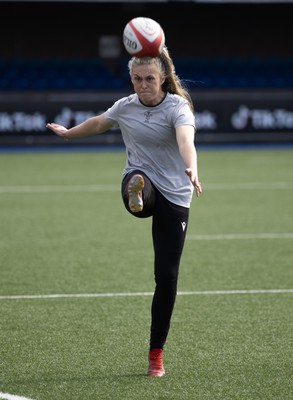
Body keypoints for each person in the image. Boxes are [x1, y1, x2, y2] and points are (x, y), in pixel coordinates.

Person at [46, 45, 202, 378]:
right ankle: (138, 197)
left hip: (175, 193)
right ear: (130, 79)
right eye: (137, 79)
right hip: (140, 180)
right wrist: (69, 134)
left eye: (149, 78)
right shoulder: (126, 106)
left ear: (162, 79)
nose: (143, 84)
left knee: (167, 276)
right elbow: (100, 123)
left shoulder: (178, 107)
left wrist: (192, 167)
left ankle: (155, 354)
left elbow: (186, 139)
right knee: (139, 184)